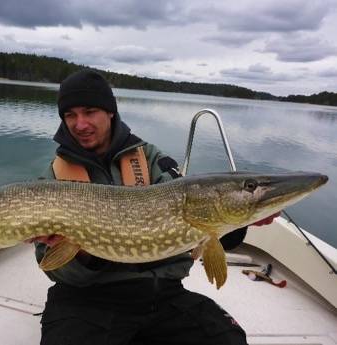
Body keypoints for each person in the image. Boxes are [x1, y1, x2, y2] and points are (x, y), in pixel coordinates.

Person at [32, 69, 279, 345]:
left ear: (110, 112)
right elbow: (52, 267)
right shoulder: (54, 178)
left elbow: (201, 215)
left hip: (159, 293)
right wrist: (84, 253)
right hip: (86, 299)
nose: (80, 124)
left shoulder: (149, 158)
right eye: (70, 115)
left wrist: (243, 220)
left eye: (89, 111)